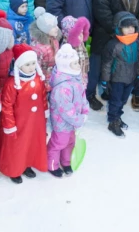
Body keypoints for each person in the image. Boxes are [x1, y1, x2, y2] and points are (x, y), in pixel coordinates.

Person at [0, 44, 47, 183]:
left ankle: (26, 164)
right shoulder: (12, 84)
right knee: (17, 145)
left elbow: (43, 96)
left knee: (30, 142)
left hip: (35, 121)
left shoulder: (38, 79)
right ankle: (14, 169)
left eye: (33, 63)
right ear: (19, 66)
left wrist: (45, 112)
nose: (31, 67)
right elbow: (7, 105)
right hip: (19, 122)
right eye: (27, 64)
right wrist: (9, 124)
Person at [47, 44, 88, 177]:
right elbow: (66, 109)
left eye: (77, 62)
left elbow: (83, 98)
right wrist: (79, 120)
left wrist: (85, 112)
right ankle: (51, 165)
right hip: (62, 122)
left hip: (73, 122)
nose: (78, 65)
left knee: (70, 142)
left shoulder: (76, 79)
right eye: (74, 63)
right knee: (59, 143)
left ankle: (66, 162)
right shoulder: (62, 87)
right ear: (65, 66)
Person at [101, 12, 139, 137]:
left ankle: (118, 116)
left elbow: (138, 59)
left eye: (132, 26)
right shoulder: (114, 45)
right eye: (126, 27)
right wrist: (105, 80)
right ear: (119, 28)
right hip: (117, 79)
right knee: (116, 100)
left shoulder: (137, 42)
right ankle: (113, 121)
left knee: (123, 100)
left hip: (130, 78)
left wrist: (138, 74)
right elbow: (107, 64)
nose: (130, 29)